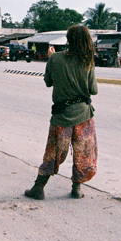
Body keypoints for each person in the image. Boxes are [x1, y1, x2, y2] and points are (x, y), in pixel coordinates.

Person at [24, 25, 98, 200]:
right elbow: (93, 90)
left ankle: (38, 188)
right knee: (83, 153)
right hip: (84, 116)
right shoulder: (87, 61)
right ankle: (77, 188)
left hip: (61, 116)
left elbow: (48, 82)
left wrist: (52, 59)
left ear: (69, 40)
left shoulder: (55, 59)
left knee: (54, 152)